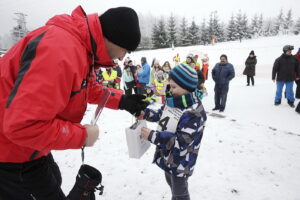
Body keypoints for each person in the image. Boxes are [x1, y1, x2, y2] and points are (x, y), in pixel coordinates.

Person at [0, 6, 149, 200]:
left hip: (29, 151)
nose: (122, 58)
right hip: (9, 156)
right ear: (114, 38)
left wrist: (122, 100)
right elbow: (22, 126)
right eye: (125, 50)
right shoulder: (60, 51)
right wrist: (83, 136)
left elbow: (87, 88)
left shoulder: (81, 47)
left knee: (55, 179)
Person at [140, 63, 207, 200]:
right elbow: (162, 115)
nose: (171, 89)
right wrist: (145, 113)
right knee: (171, 184)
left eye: (174, 87)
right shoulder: (175, 100)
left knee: (180, 193)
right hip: (168, 157)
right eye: (170, 85)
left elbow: (180, 142)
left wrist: (152, 136)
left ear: (187, 88)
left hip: (181, 162)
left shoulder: (194, 113)